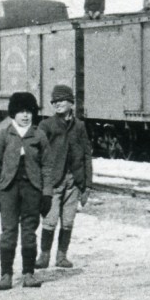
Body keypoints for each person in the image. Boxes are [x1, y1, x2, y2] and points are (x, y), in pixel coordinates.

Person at [0, 92, 51, 291]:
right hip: (8, 190)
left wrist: (47, 193)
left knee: (29, 231)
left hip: (32, 189)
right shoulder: (4, 135)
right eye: (21, 111)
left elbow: (47, 167)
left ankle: (29, 273)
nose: (25, 115)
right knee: (9, 231)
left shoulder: (39, 135)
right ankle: (6, 274)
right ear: (13, 114)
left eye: (29, 111)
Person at [37, 84, 92, 270]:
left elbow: (86, 155)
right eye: (54, 101)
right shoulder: (46, 125)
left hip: (74, 182)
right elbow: (38, 153)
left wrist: (87, 184)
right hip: (53, 182)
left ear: (71, 103)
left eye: (61, 100)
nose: (57, 104)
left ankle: (62, 256)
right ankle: (43, 256)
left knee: (68, 221)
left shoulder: (80, 127)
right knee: (50, 221)